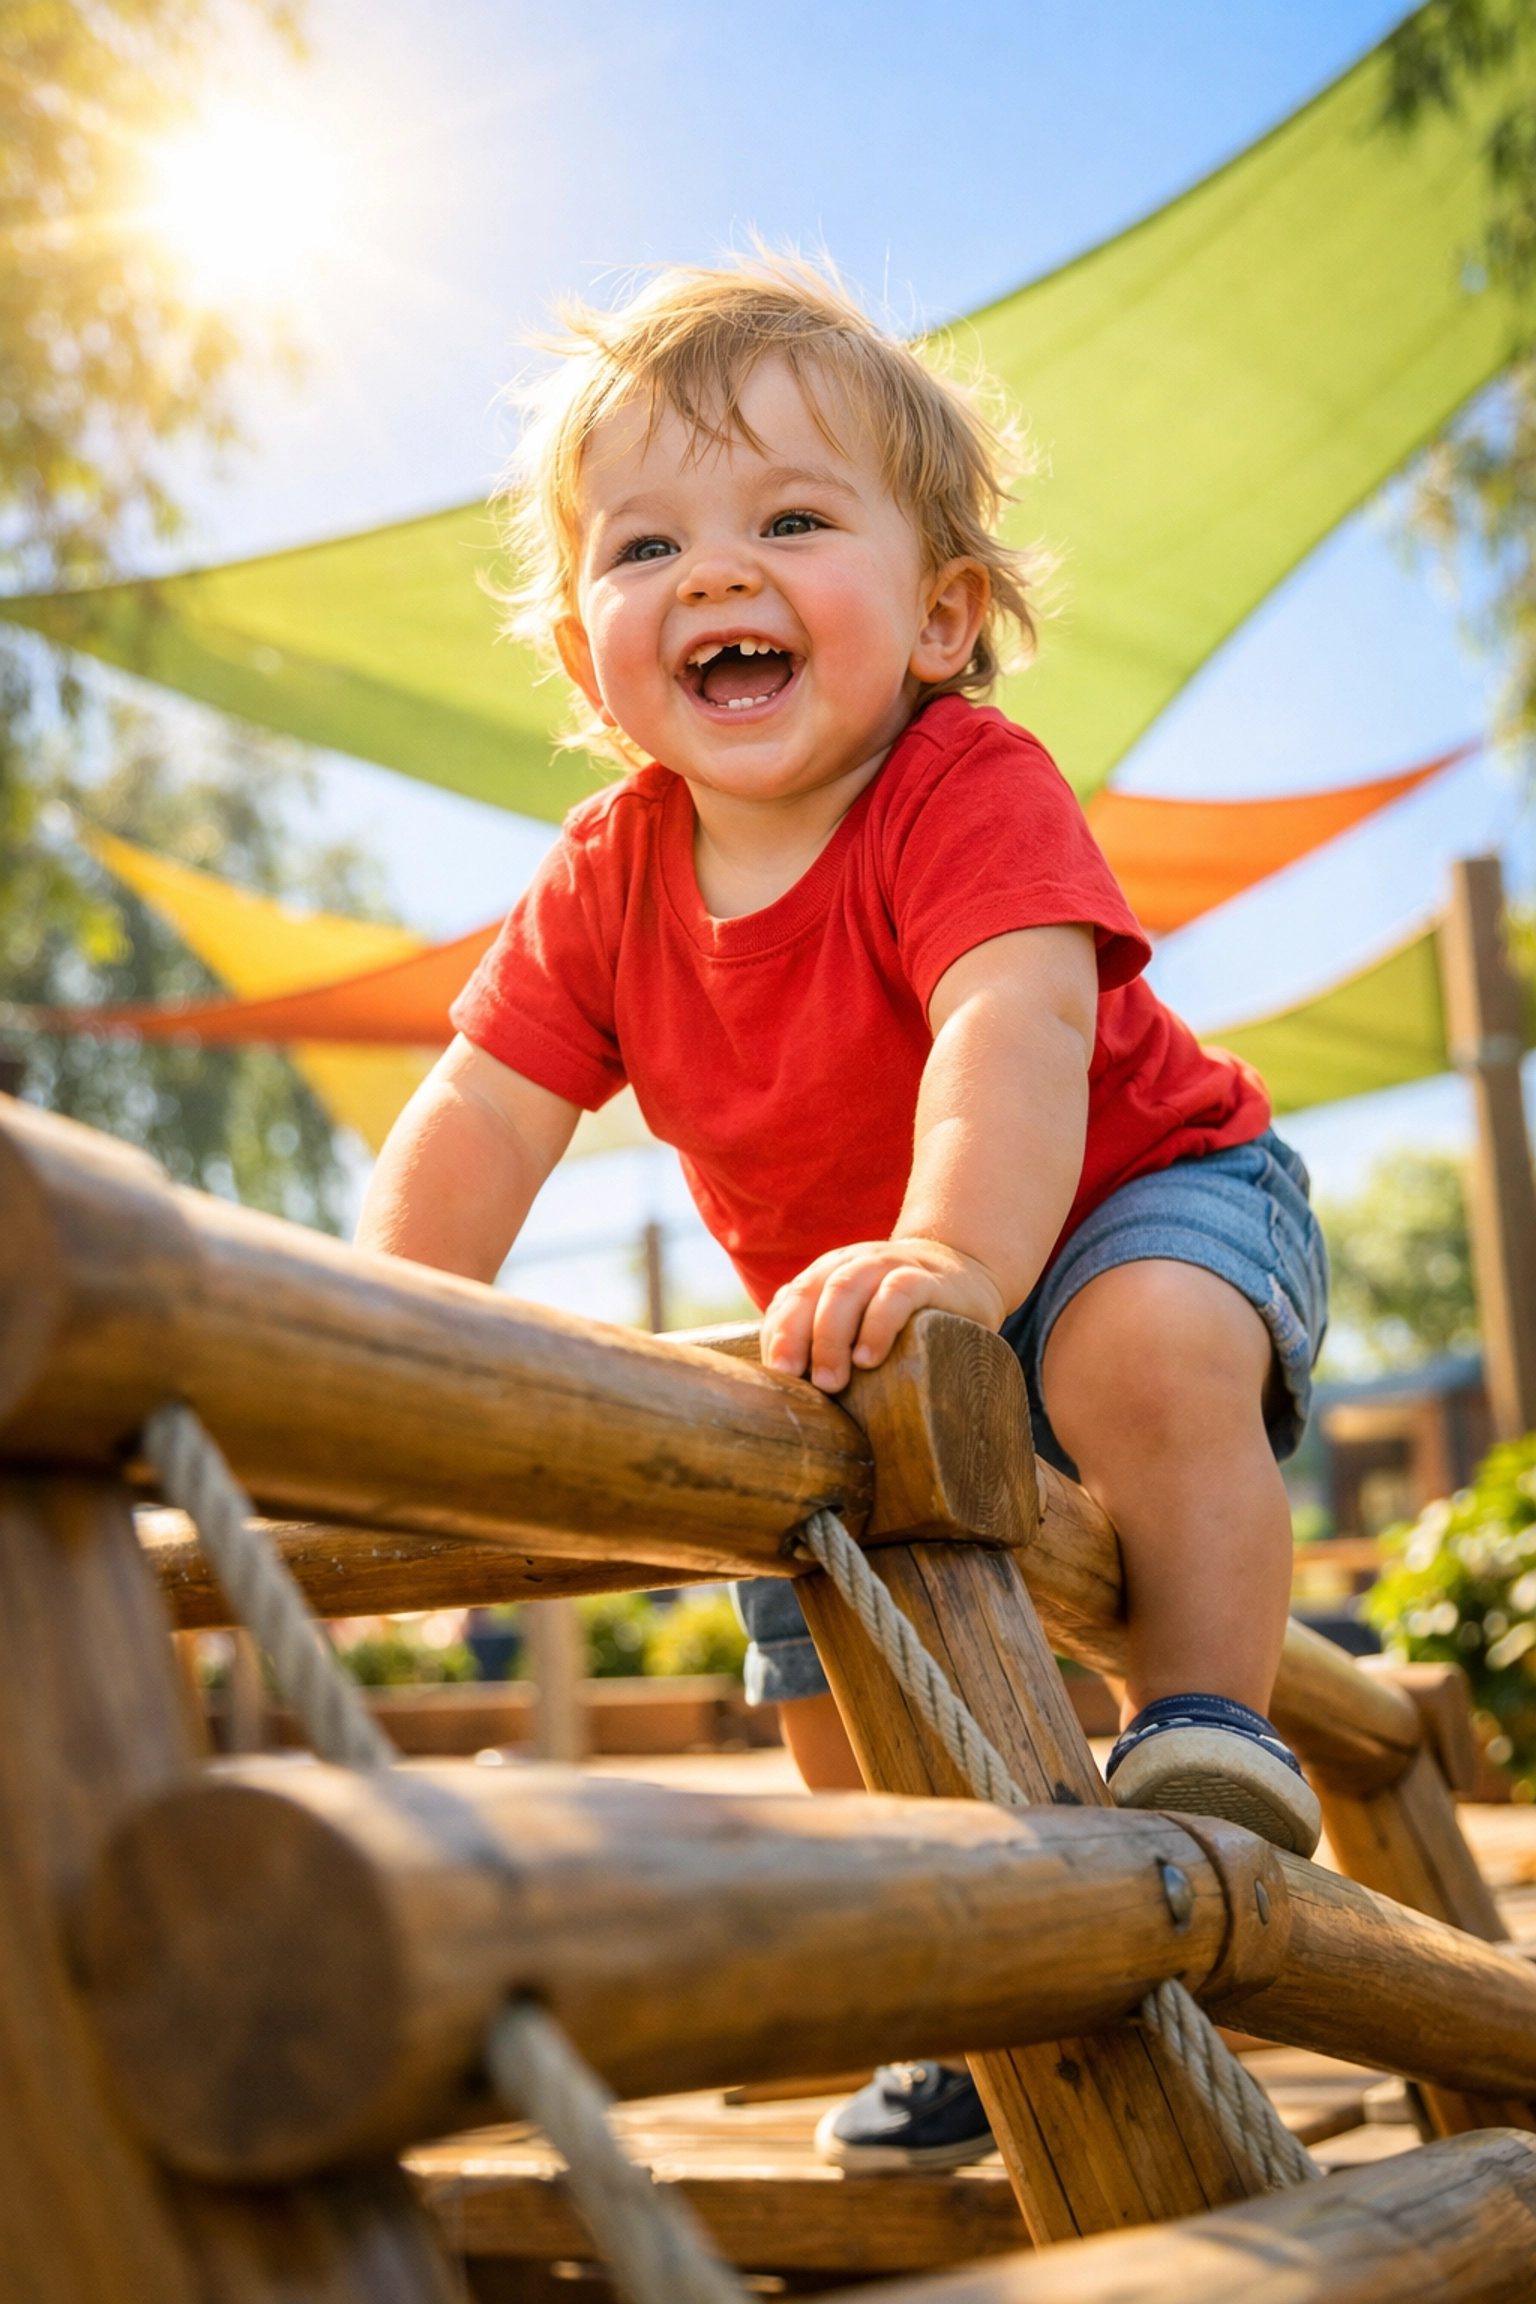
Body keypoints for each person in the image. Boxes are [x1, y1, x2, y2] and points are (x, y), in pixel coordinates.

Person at [356, 255, 1328, 2171]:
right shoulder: (607, 875)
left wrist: (963, 1256)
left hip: (1139, 1197)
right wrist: (392, 1329)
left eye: (793, 521)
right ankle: (952, 1978)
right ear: (583, 653)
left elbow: (1013, 1021)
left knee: (1148, 1356)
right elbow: (479, 1109)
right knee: (827, 1617)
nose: (716, 574)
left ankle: (1212, 1728)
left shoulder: (963, 784)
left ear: (945, 614)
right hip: (863, 1316)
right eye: (646, 547)